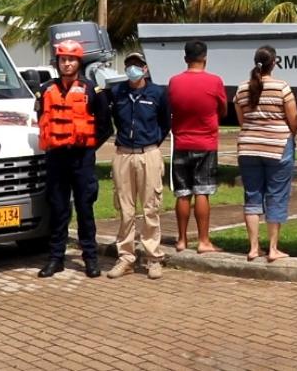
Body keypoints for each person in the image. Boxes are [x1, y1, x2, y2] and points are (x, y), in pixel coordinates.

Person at [34, 39, 112, 279]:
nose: (67, 64)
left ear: (79, 62)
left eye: (71, 59)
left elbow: (105, 126)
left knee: (85, 209)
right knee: (58, 209)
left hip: (82, 159)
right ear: (57, 62)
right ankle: (56, 258)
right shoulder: (46, 89)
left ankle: (90, 258)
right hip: (56, 158)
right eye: (63, 59)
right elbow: (40, 117)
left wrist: (88, 146)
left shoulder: (92, 90)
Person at [107, 52, 170, 279]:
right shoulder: (118, 92)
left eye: (137, 65)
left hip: (149, 153)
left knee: (150, 207)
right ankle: (126, 257)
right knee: (125, 209)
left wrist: (151, 144)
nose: (133, 69)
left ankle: (153, 257)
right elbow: (112, 117)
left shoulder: (158, 93)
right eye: (129, 65)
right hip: (123, 154)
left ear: (145, 69)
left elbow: (165, 123)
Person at [234, 46, 297, 262]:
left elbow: (242, 121)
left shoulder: (242, 89)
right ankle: (273, 248)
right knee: (277, 195)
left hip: (248, 147)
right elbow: (294, 119)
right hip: (278, 146)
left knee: (252, 196)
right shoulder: (282, 87)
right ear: (275, 63)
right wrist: (290, 132)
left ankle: (253, 248)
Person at [167, 40, 227, 254]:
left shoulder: (174, 82)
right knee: (203, 191)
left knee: (183, 192)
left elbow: (171, 107)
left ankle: (182, 240)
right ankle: (203, 241)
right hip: (206, 142)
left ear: (185, 59)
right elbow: (223, 108)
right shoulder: (215, 81)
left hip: (181, 141)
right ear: (205, 58)